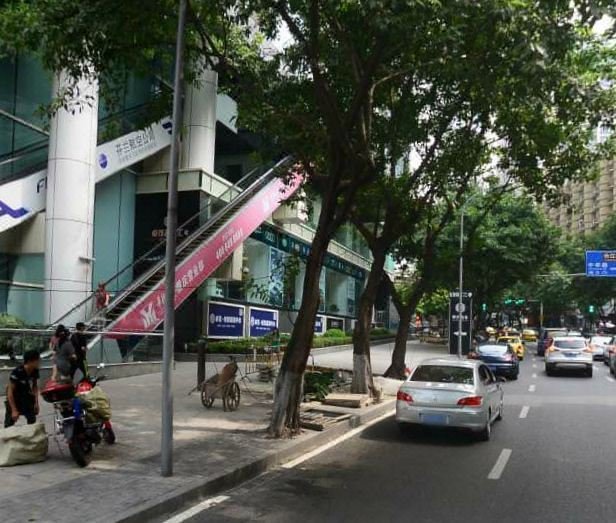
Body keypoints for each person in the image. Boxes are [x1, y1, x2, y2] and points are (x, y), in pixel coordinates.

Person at [4, 350, 41, 428]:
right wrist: (14, 410)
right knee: (8, 426)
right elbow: (9, 391)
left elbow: (34, 387)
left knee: (32, 423)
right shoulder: (17, 372)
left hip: (26, 398)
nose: (39, 362)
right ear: (30, 361)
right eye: (37, 360)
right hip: (14, 399)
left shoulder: (35, 371)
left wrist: (36, 403)